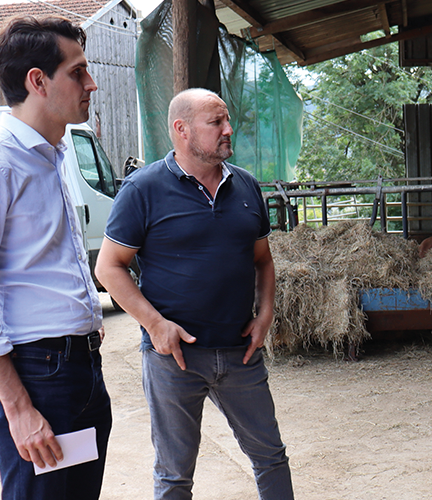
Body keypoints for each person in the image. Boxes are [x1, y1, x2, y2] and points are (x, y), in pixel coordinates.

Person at [0, 15, 111, 500]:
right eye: (78, 72)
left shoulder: (51, 155)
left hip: (77, 366)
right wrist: (17, 408)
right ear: (38, 81)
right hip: (36, 374)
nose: (91, 83)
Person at [94, 88, 293, 499]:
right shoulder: (143, 189)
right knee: (174, 475)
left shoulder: (247, 187)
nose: (228, 129)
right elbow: (108, 267)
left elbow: (263, 260)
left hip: (240, 353)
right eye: (216, 122)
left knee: (271, 457)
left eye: (227, 120)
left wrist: (265, 314)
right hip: (174, 358)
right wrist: (155, 325)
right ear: (181, 130)